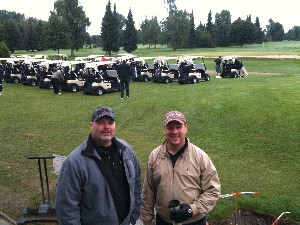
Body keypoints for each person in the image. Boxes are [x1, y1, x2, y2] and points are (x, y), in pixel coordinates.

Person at [56, 106, 142, 225]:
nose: (106, 127)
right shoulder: (74, 162)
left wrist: (134, 215)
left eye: (110, 123)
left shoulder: (126, 150)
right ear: (91, 125)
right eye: (100, 123)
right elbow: (66, 207)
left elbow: (136, 183)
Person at [141, 111, 221, 225]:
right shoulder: (155, 157)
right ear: (164, 129)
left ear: (186, 128)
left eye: (179, 127)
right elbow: (148, 193)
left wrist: (192, 209)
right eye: (170, 127)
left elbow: (213, 190)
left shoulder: (200, 157)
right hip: (164, 221)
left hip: (194, 221)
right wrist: (147, 221)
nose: (174, 132)